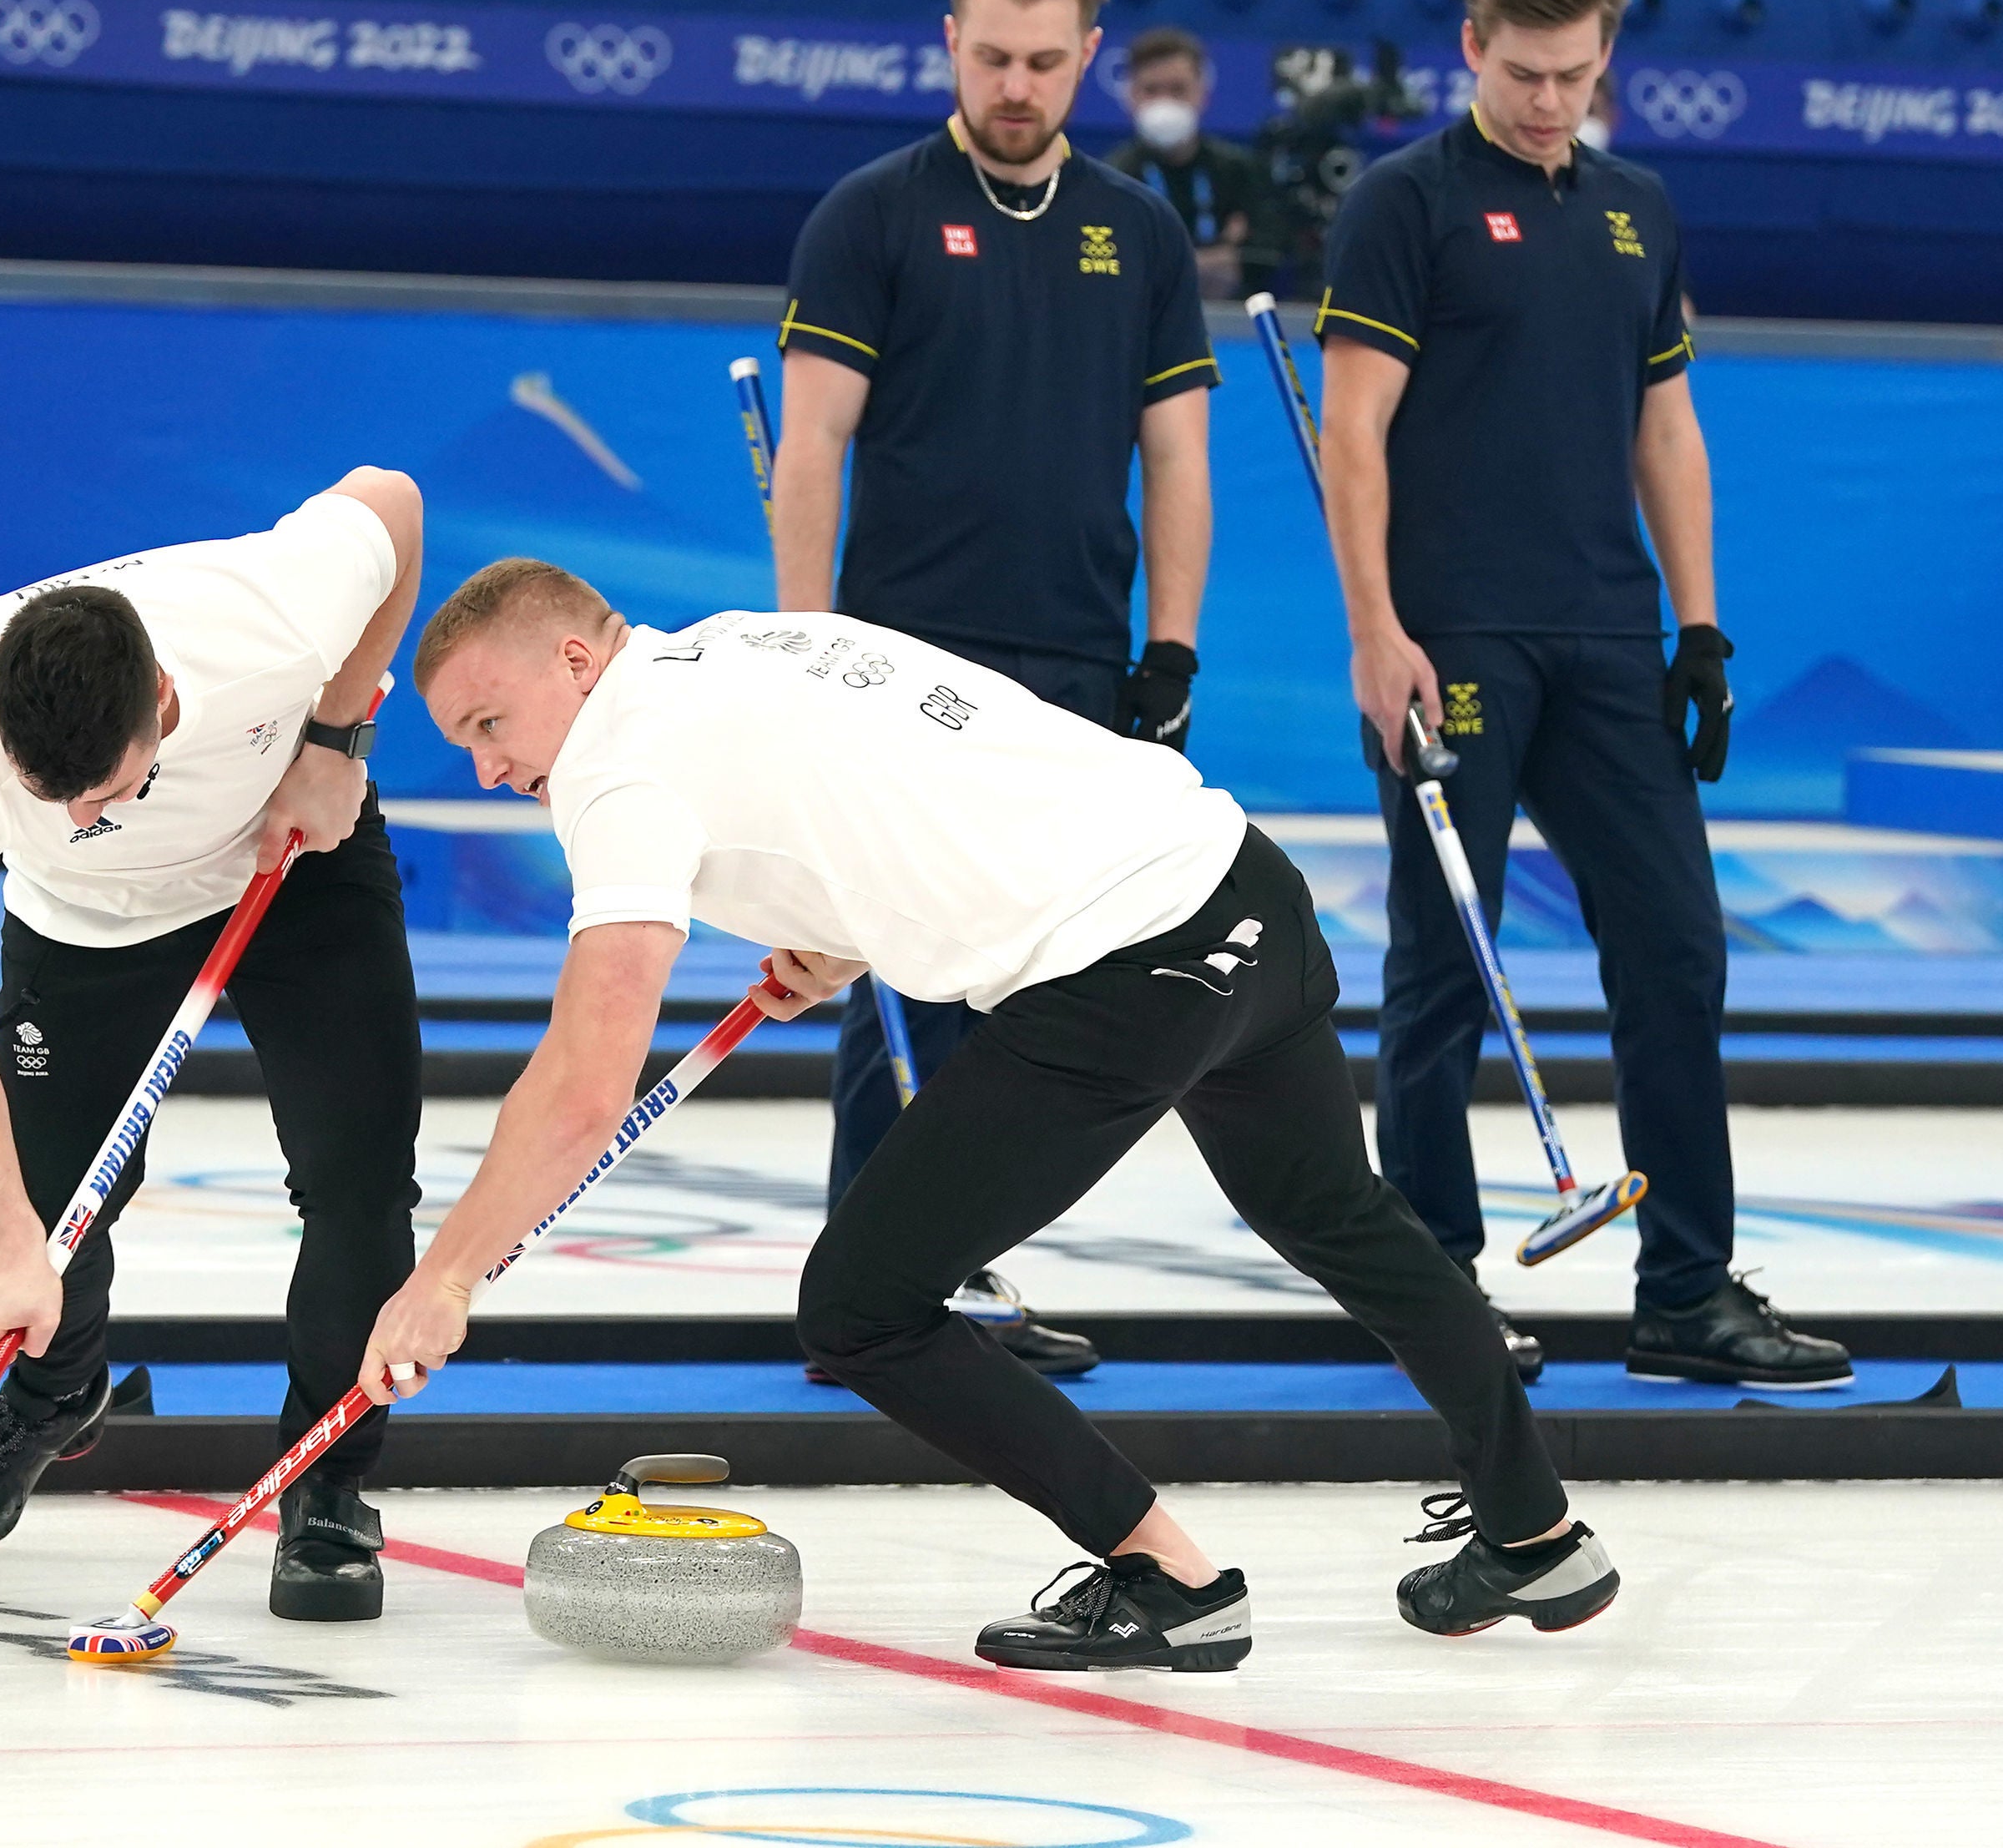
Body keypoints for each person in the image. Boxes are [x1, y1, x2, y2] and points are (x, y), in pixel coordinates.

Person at [362, 563, 1618, 1669]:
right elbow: (894, 784)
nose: (490, 766)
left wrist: (447, 1274)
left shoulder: (615, 762)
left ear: (577, 662)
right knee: (1339, 1212)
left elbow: (588, 1075)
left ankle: (1169, 1580)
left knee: (862, 1305)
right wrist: (843, 940)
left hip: (1128, 969)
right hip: (1243, 889)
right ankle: (1536, 1530)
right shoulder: (746, 639)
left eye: (492, 722)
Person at [1313, 0, 1849, 1389]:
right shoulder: (1402, 203)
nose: (1551, 102)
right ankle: (1432, 1288)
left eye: (1577, 76)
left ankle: (1686, 1290)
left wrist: (1701, 625)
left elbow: (1664, 426)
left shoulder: (1636, 209)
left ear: (1608, 61)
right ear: (1472, 50)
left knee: (1678, 950)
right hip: (1454, 639)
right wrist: (1375, 630)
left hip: (1611, 636)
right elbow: (1350, 432)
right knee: (1443, 971)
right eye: (1525, 73)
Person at [770, 0, 1220, 1376]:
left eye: (1042, 60)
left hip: (1079, 665)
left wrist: (1171, 650)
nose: (1015, 84)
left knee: (1032, 991)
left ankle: (940, 1269)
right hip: (908, 660)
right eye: (989, 56)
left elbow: (1180, 461)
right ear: (948, 43)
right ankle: (872, 1288)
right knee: (900, 973)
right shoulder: (874, 214)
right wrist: (804, 646)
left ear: (1088, 56)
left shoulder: (1138, 231)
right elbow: (814, 444)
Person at [0, 466, 430, 1618]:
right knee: (50, 1196)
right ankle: (54, 1385)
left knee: (360, 1174)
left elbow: (397, 502)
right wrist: (6, 1240)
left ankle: (326, 1481)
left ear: (164, 699)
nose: (77, 814)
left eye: (104, 788)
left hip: (293, 860)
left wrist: (336, 735)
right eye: (50, 794)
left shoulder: (269, 615)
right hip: (86, 925)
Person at [1102, 27, 1280, 300]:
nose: (1165, 102)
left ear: (1202, 93)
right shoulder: (1112, 178)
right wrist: (1213, 259)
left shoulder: (1240, 170)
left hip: (1231, 327)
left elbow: (1266, 255)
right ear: (1131, 96)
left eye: (1178, 89)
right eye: (1152, 90)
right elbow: (1117, 266)